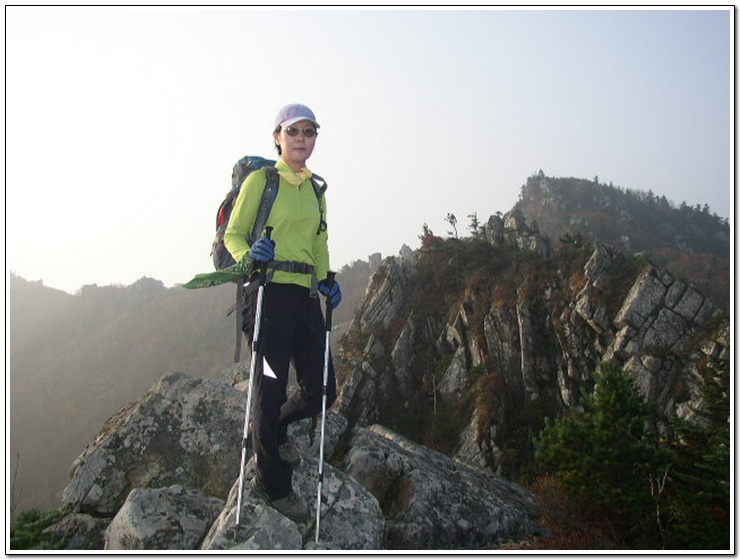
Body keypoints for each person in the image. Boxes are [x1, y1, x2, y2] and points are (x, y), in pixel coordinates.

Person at [224, 103, 342, 522]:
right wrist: (249, 254)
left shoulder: (316, 190)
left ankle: (274, 428)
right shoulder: (262, 181)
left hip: (306, 298)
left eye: (309, 131)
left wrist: (328, 277)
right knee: (269, 387)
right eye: (293, 131)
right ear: (277, 136)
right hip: (268, 296)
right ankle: (272, 483)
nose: (301, 138)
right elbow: (235, 234)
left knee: (323, 389)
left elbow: (320, 240)